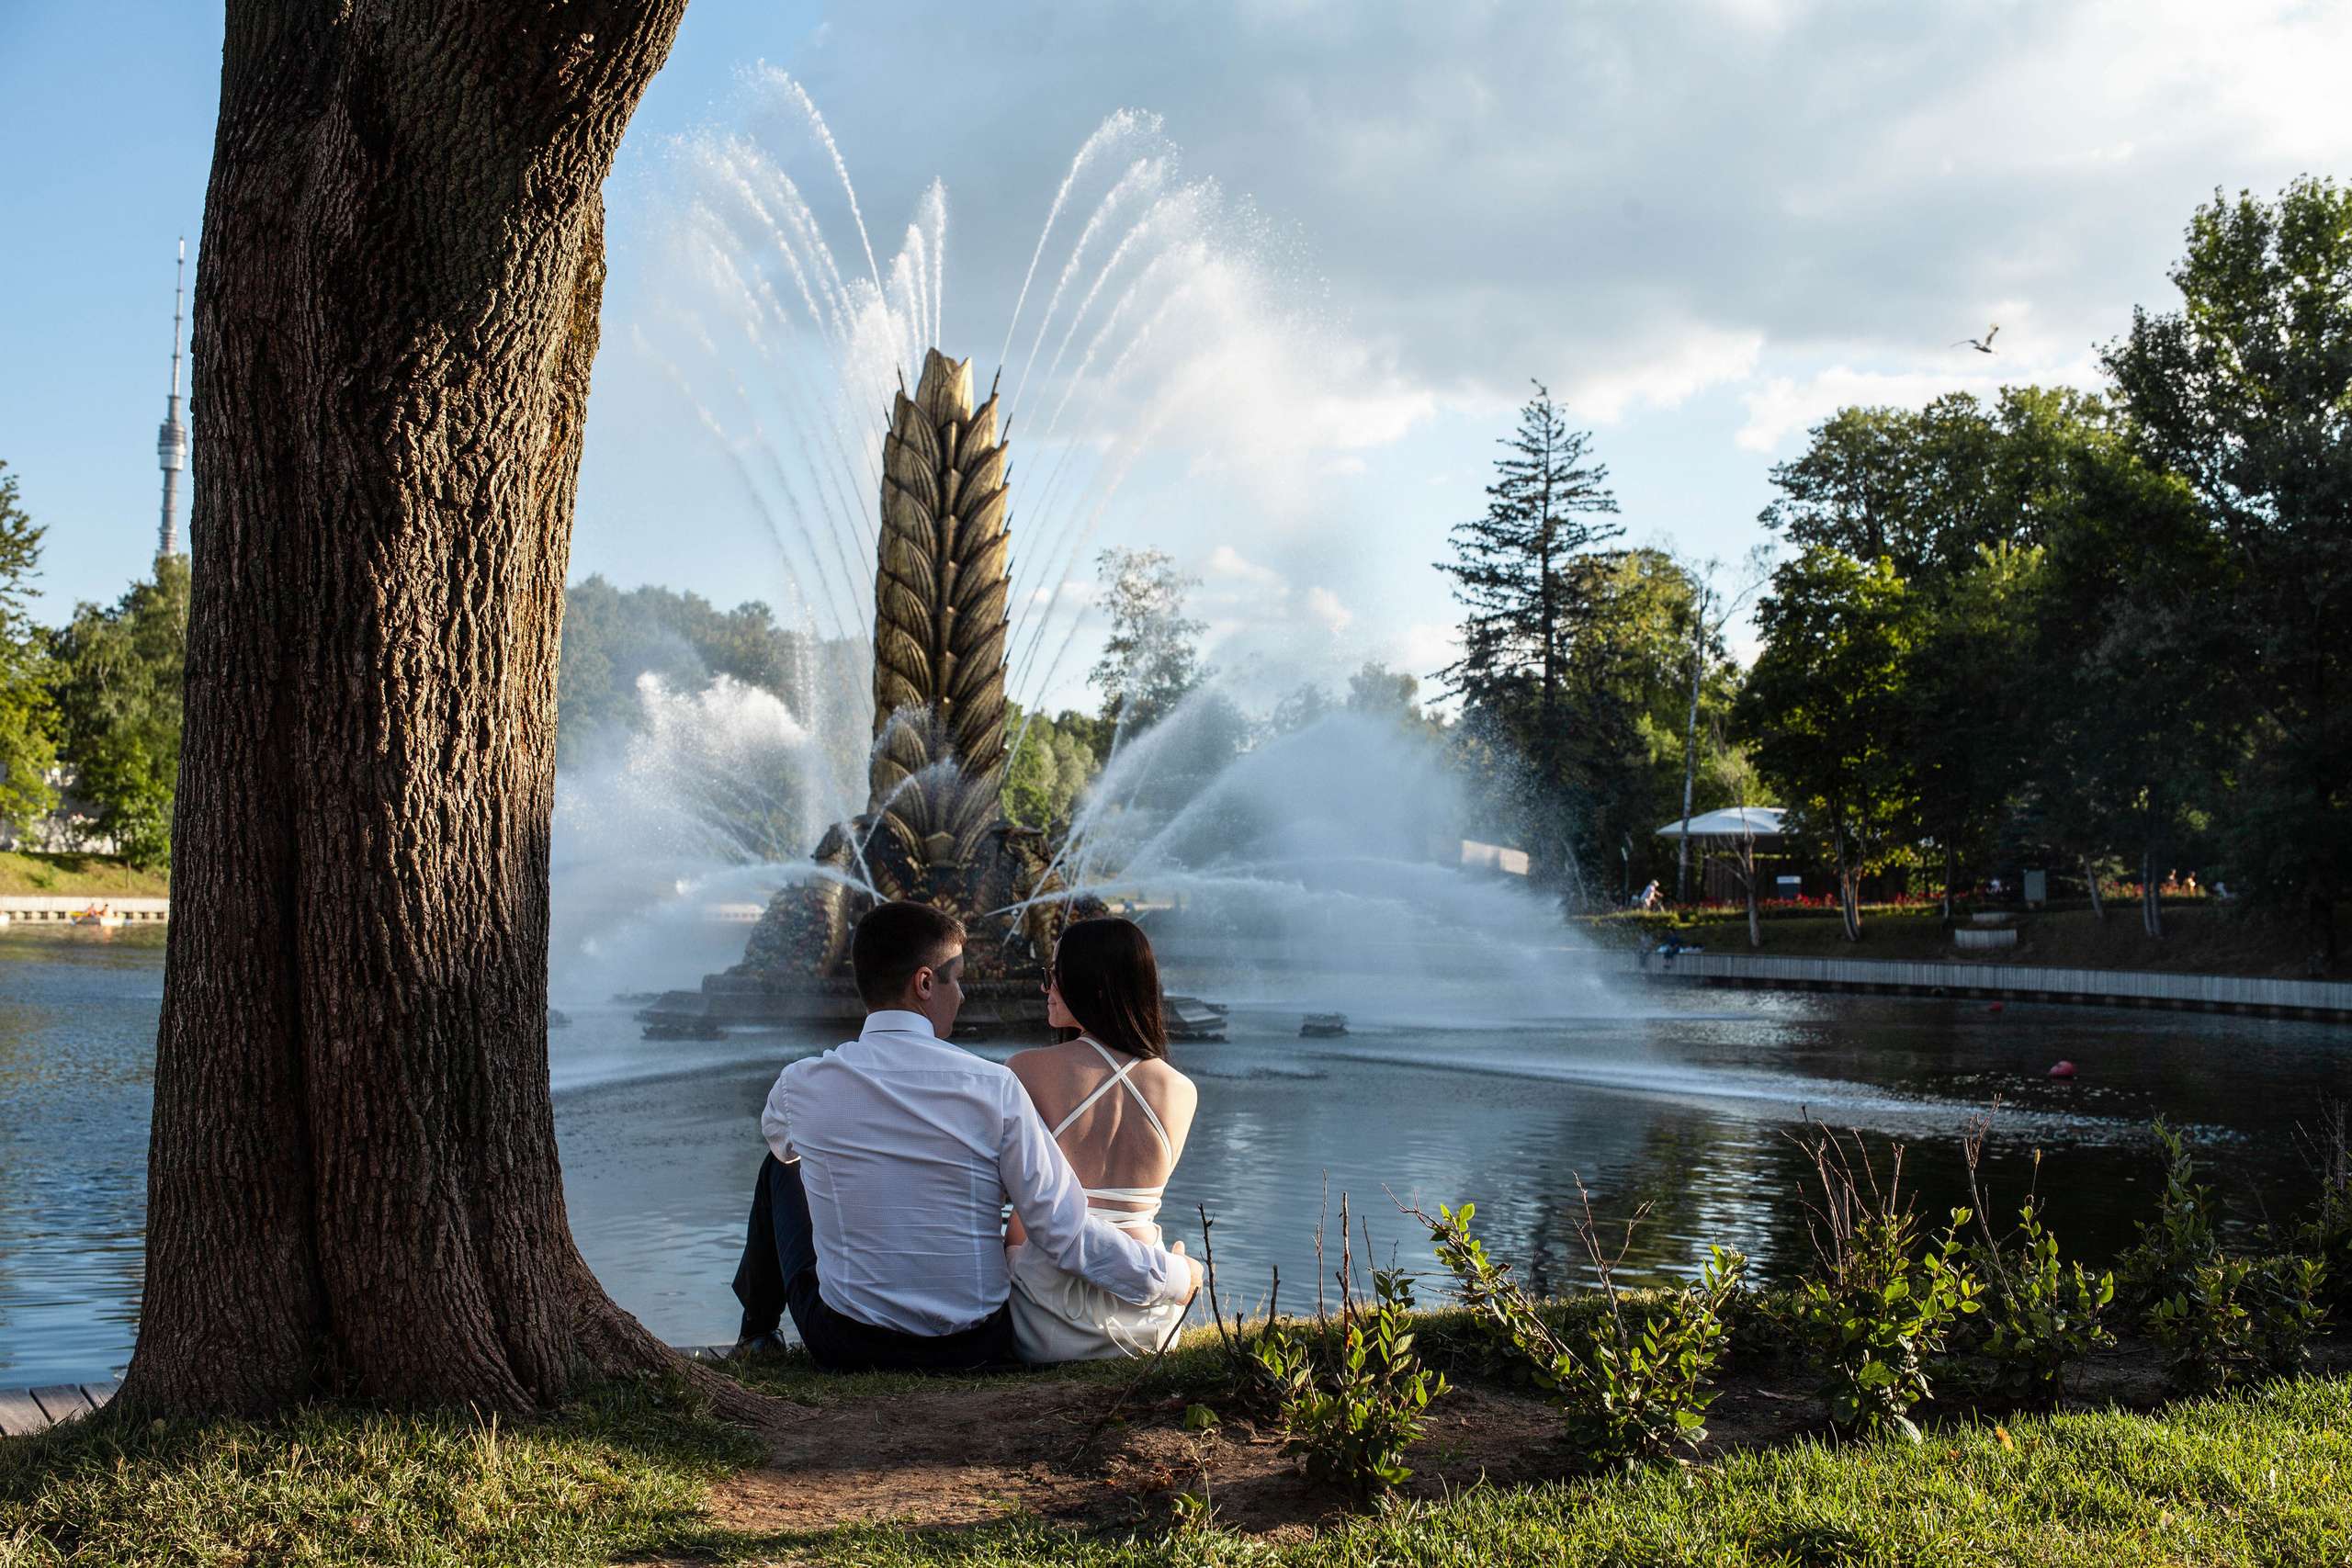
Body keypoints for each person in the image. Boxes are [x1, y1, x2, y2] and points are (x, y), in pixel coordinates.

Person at [729, 901, 1202, 1371]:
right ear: (925, 983)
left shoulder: (799, 1083)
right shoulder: (993, 1087)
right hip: (973, 1344)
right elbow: (1063, 1229)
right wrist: (1175, 1278)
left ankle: (757, 1333)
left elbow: (781, 1143)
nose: (963, 995)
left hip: (847, 1342)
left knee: (780, 1168)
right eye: (956, 979)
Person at [1003, 918, 1200, 1361]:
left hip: (1045, 1315)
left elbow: (1024, 1214)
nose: (1044, 988)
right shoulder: (1181, 1090)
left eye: (1052, 976)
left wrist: (1012, 1257)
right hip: (1149, 1318)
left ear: (1092, 985)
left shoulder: (1025, 1070)